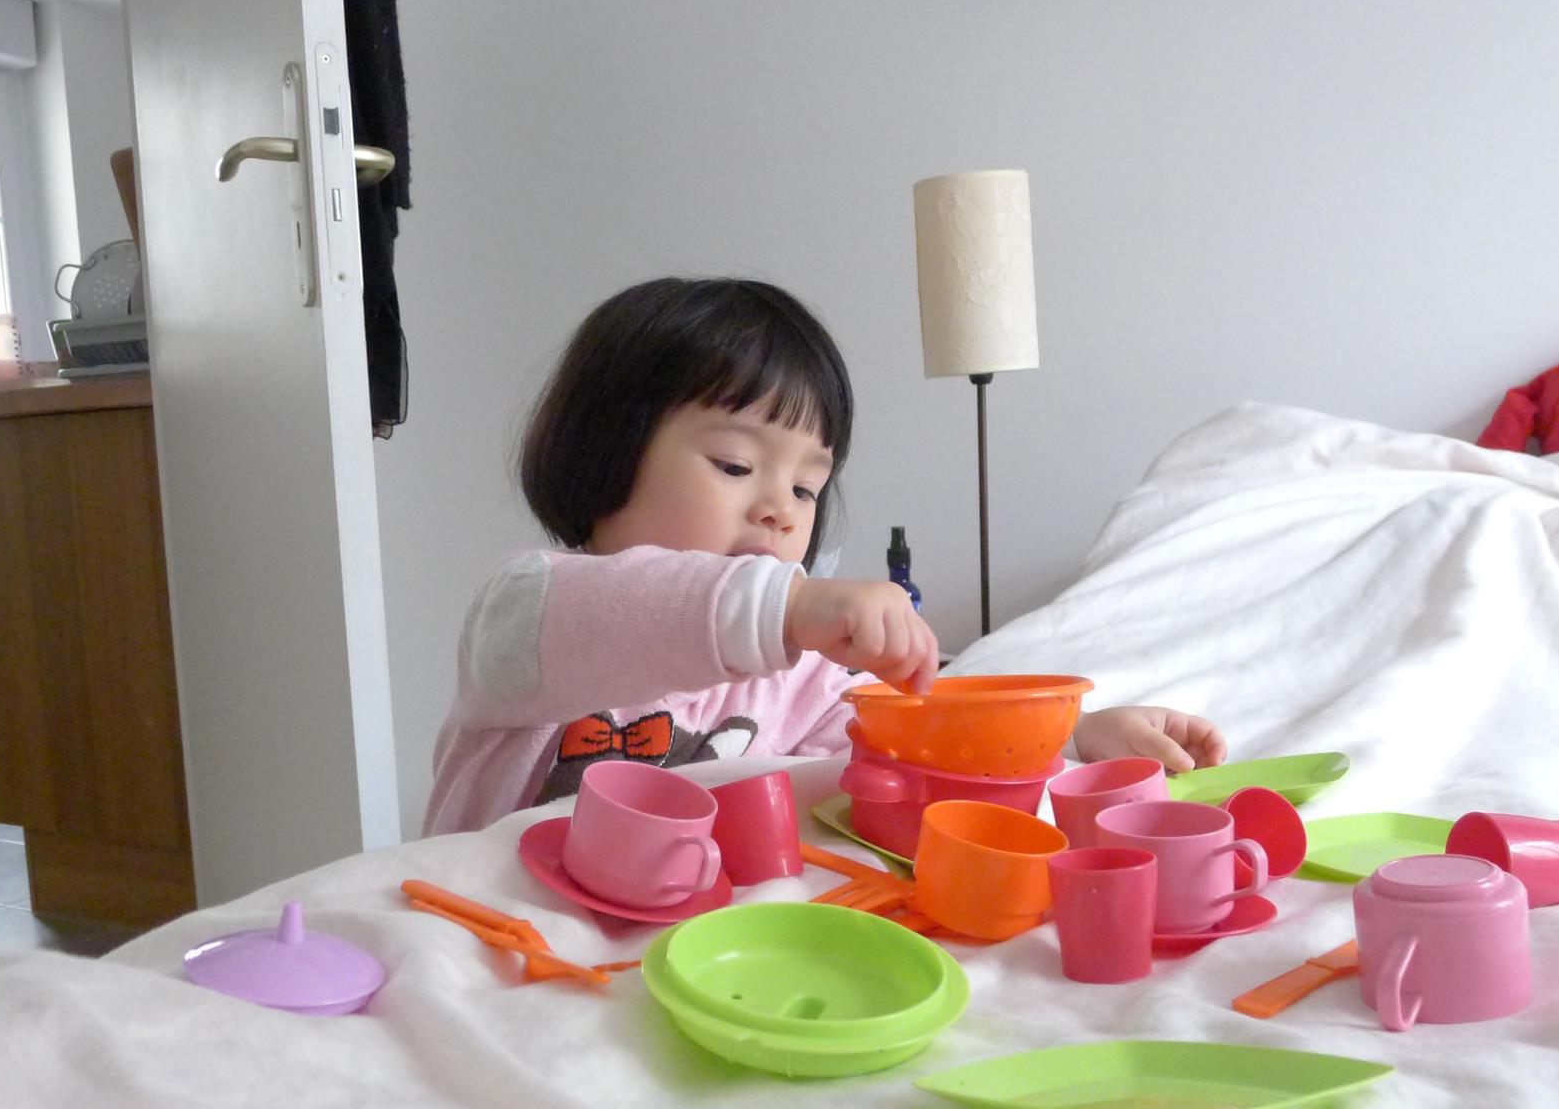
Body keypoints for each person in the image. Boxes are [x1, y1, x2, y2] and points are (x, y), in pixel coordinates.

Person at [423, 277, 1223, 836]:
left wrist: (1072, 740)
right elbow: (631, 609)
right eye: (735, 465)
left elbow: (916, 751)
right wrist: (790, 607)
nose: (780, 508)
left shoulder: (800, 679)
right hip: (489, 941)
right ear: (606, 454)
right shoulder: (525, 616)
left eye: (807, 488)